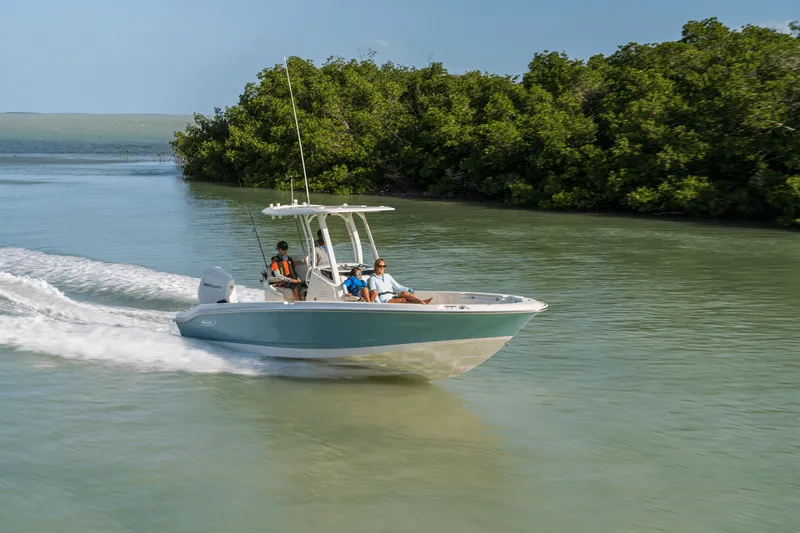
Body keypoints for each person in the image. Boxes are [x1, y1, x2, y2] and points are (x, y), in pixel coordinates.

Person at [367, 258, 432, 304]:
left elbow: (397, 286)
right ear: (375, 266)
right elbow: (374, 293)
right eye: (380, 266)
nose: (382, 268)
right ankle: (421, 302)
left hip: (392, 295)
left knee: (404, 293)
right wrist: (379, 305)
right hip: (384, 299)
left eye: (384, 266)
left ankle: (420, 302)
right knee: (402, 299)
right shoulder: (372, 279)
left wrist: (407, 289)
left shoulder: (387, 276)